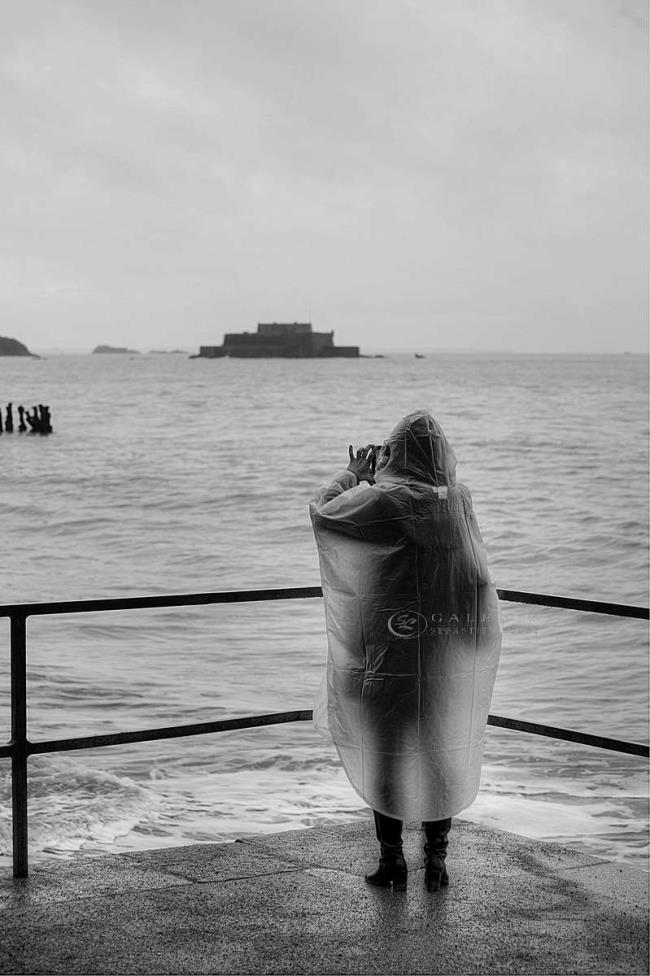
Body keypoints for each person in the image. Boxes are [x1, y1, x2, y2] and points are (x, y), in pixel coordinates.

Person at [309, 411, 502, 891]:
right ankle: (436, 861)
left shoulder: (383, 500)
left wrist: (354, 474)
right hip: (442, 655)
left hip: (388, 656)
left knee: (386, 754)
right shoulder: (457, 502)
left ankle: (393, 859)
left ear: (395, 453)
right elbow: (476, 574)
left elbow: (324, 512)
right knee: (440, 753)